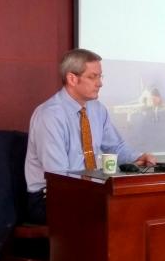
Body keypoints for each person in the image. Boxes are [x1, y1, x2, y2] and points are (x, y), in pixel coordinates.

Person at [25, 48, 155, 223]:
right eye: (93, 77)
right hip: (50, 197)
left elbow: (115, 146)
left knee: (139, 207)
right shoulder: (49, 116)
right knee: (114, 216)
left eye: (100, 76)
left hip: (86, 190)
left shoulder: (97, 109)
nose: (100, 83)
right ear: (72, 79)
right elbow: (59, 177)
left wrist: (138, 157)